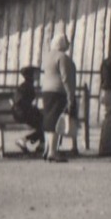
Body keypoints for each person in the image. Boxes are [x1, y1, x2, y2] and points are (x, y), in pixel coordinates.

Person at [40, 33, 78, 163]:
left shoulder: (47, 57)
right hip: (58, 91)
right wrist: (70, 95)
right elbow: (66, 78)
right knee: (56, 122)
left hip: (46, 91)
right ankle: (53, 152)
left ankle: (47, 149)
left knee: (48, 120)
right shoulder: (63, 58)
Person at [11, 65, 45, 156]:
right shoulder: (26, 86)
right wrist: (33, 109)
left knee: (44, 122)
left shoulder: (26, 85)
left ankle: (41, 144)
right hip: (22, 113)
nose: (38, 76)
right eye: (36, 74)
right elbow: (20, 101)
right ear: (31, 75)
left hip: (22, 112)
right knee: (45, 123)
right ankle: (25, 140)